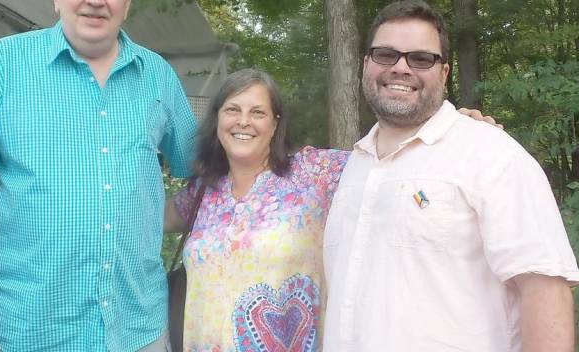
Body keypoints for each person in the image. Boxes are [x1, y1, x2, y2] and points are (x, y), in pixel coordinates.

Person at [0, 0, 196, 352]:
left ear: (127, 3)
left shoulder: (157, 76)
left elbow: (203, 171)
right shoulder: (2, 65)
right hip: (27, 328)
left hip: (138, 328)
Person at [164, 68, 497, 351]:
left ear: (276, 122)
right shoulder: (203, 191)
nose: (243, 122)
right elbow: (141, 218)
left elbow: (390, 158)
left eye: (258, 112)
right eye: (232, 110)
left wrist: (455, 131)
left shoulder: (314, 173)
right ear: (218, 117)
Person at [323, 0, 579, 352]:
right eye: (386, 54)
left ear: (443, 73)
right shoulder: (354, 165)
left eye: (421, 58)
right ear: (366, 64)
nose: (401, 68)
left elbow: (545, 290)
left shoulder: (491, 154)